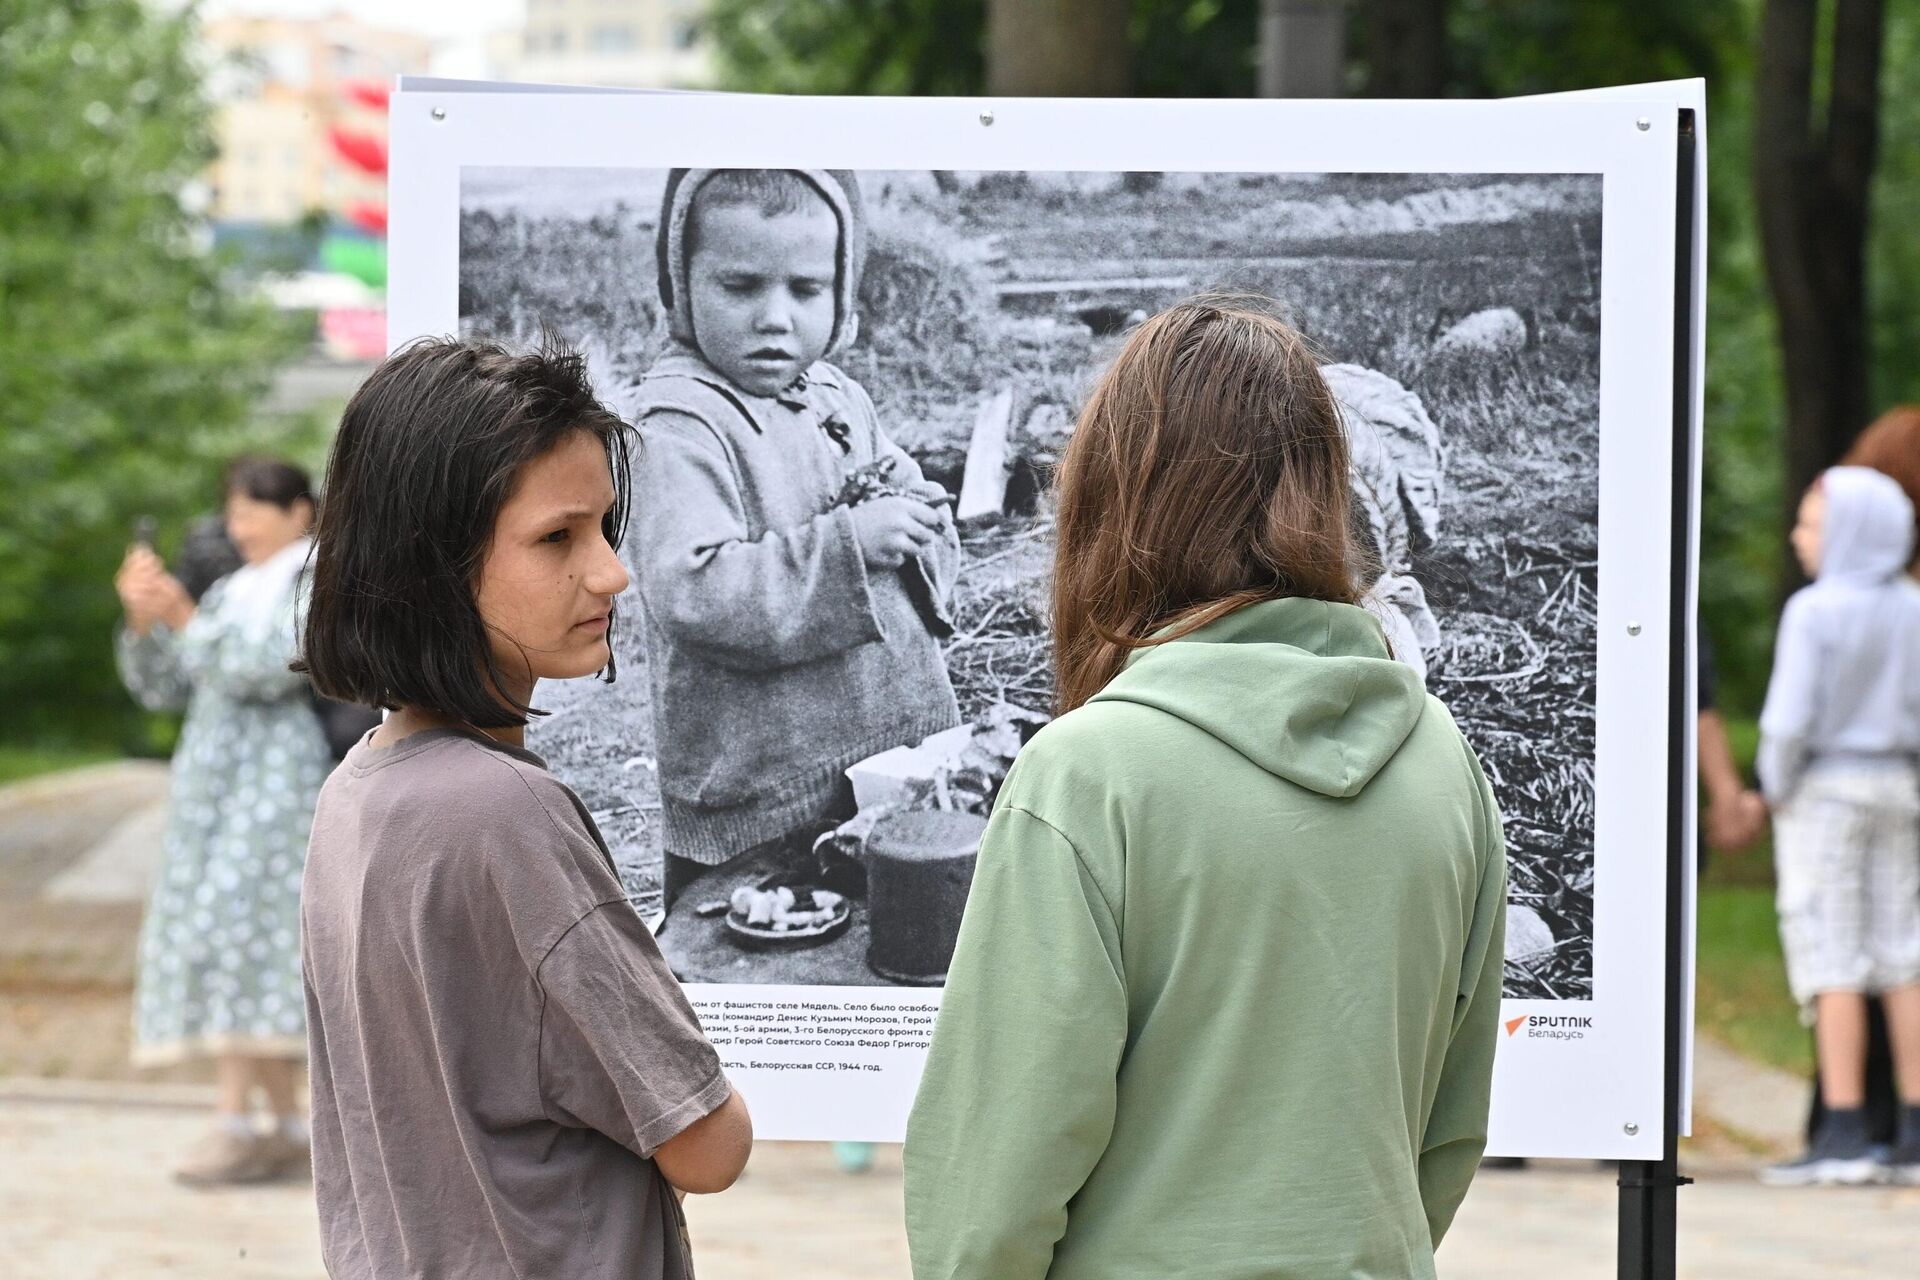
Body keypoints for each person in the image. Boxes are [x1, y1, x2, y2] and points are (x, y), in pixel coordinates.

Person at [903, 296, 1509, 1278]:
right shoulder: (1441, 759)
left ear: (1117, 496)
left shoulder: (1084, 778)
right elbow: (1445, 1134)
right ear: (1324, 484)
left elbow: (988, 1198)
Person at [298, 338, 751, 1278]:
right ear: (432, 562)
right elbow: (709, 1149)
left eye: (606, 528)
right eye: (558, 538)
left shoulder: (356, 789)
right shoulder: (505, 813)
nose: (611, 573)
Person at [627, 168, 961, 908]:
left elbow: (909, 502)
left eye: (805, 291)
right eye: (741, 288)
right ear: (681, 287)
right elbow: (695, 589)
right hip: (764, 795)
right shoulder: (680, 425)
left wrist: (919, 520)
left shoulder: (838, 396)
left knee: (897, 938)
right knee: (761, 947)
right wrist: (849, 545)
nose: (774, 319)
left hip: (888, 757)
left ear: (841, 292)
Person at [113, 458, 329, 1186]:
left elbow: (270, 668)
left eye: (252, 511)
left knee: (251, 944)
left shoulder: (316, 577)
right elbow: (164, 687)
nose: (239, 528)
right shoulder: (237, 586)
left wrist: (184, 617)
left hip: (276, 784)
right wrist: (145, 623)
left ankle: (238, 1120)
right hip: (215, 786)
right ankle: (283, 1126)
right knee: (226, 944)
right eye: (232, 514)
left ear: (300, 510)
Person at [1756, 466, 1920, 1187]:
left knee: (1831, 952)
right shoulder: (1912, 607)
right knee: (1903, 955)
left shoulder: (1815, 612)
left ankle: (1845, 1132)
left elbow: (1788, 722)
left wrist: (1775, 787)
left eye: (1812, 523)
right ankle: (1913, 1135)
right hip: (1898, 786)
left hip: (1825, 789)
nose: (1798, 536)